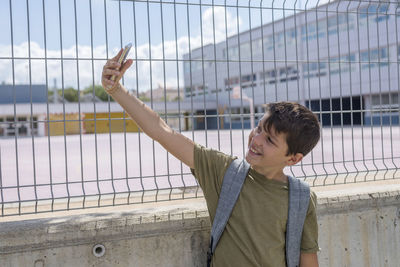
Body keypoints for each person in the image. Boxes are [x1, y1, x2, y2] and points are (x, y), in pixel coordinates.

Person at [101, 49, 320, 267]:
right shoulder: (224, 171)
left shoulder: (301, 198)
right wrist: (117, 90)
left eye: (270, 140)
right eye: (259, 128)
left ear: (293, 159)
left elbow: (308, 260)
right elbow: (162, 131)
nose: (257, 139)